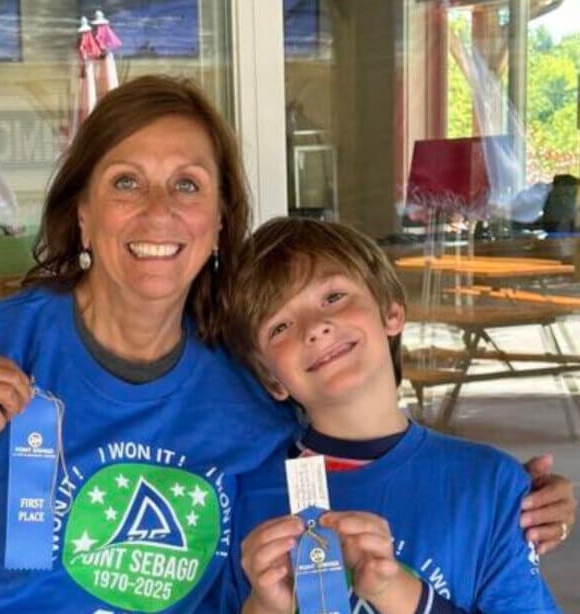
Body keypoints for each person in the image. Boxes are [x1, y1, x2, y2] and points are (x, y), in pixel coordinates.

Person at [0, 77, 573, 613]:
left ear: (219, 223)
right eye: (127, 183)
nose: (157, 214)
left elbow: (361, 446)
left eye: (186, 185)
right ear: (83, 215)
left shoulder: (248, 377)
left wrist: (512, 503)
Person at [222, 217, 566, 613]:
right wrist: (262, 608)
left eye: (333, 297)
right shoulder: (246, 494)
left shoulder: (491, 485)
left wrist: (399, 594)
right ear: (272, 380)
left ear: (391, 313)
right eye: (279, 326)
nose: (314, 328)